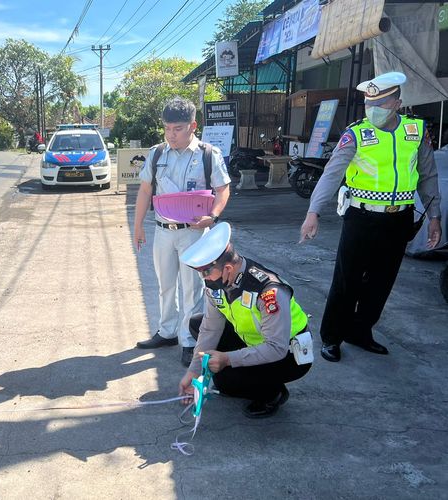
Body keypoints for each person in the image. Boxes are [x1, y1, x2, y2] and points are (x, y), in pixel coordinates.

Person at [299, 72, 443, 362]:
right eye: (368, 103)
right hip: (361, 218)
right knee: (347, 280)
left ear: (397, 104)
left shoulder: (415, 132)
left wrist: (435, 216)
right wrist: (313, 211)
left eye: (380, 102)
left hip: (399, 219)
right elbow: (332, 174)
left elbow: (428, 175)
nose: (372, 109)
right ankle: (332, 337)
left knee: (381, 282)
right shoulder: (356, 133)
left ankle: (360, 332)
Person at [133, 97, 232, 367]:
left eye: (177, 129)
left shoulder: (208, 154)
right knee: (165, 284)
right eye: (166, 128)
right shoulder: (156, 154)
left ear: (192, 126)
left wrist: (213, 216)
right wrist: (139, 225)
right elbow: (144, 190)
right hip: (163, 231)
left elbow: (223, 190)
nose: (171, 135)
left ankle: (189, 339)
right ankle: (166, 332)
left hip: (194, 233)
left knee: (192, 288)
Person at [178, 223, 313, 418]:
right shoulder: (218, 284)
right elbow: (210, 329)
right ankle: (246, 375)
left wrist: (228, 359)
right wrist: (194, 371)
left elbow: (276, 347)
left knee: (228, 381)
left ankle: (273, 393)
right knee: (198, 324)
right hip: (254, 340)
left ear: (228, 268)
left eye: (206, 272)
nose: (204, 278)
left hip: (289, 355)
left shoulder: (268, 292)